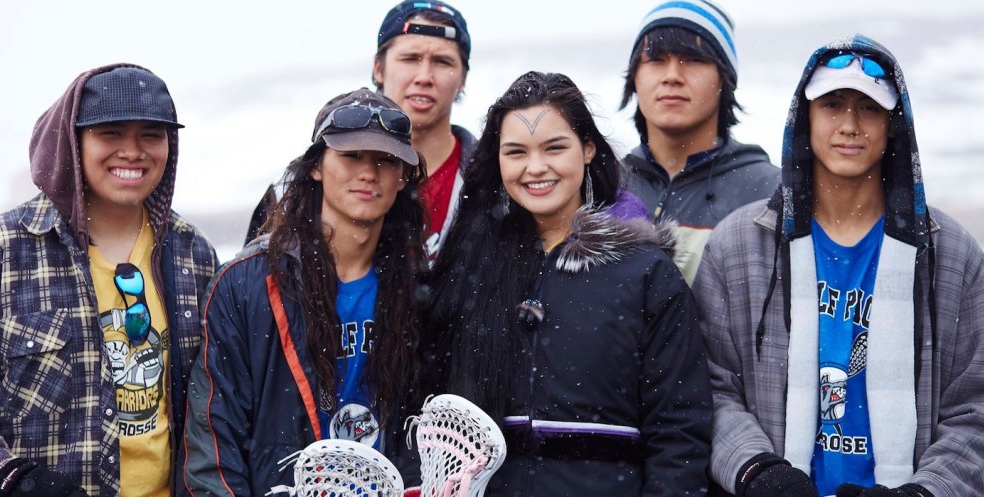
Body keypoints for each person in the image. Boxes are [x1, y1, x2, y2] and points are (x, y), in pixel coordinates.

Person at [694, 34, 984, 497]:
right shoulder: (737, 247)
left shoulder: (952, 255)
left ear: (894, 124)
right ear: (805, 118)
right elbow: (710, 389)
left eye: (869, 108)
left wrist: (925, 491)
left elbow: (977, 408)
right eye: (832, 104)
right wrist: (759, 472)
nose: (849, 124)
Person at [426, 71, 711, 497]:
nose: (536, 168)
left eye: (555, 147)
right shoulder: (470, 268)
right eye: (516, 152)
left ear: (588, 149)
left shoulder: (645, 273)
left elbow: (680, 430)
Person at [0, 64, 218, 497]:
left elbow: (216, 404)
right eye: (111, 133)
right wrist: (10, 479)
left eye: (150, 135)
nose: (133, 151)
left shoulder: (194, 256)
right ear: (72, 142)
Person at [183, 88, 429, 496]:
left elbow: (419, 428)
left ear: (403, 178)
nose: (368, 173)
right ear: (315, 167)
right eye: (351, 156)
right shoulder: (247, 284)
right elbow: (213, 440)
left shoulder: (416, 287)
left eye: (386, 160)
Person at [245, 0, 474, 258]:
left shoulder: (493, 183)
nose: (424, 76)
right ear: (378, 68)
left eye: (443, 62)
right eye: (410, 58)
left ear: (463, 78)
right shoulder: (296, 186)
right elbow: (255, 284)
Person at [620, 0, 779, 284]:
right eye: (656, 60)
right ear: (634, 77)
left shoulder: (770, 192)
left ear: (725, 78)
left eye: (693, 60)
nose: (672, 76)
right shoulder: (605, 185)